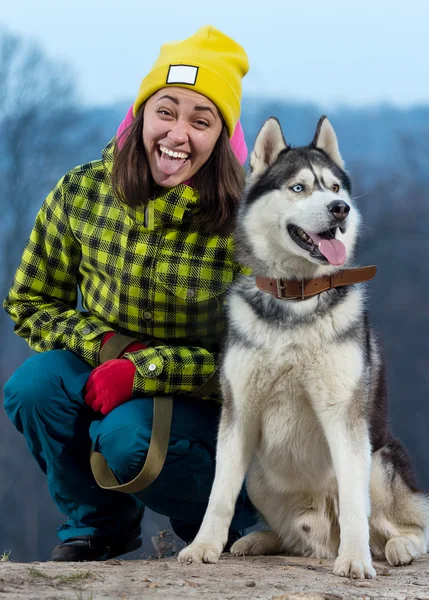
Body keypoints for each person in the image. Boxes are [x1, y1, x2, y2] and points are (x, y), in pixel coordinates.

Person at [3, 25, 257, 562]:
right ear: (140, 115)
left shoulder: (249, 225)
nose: (177, 134)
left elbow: (260, 363)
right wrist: (111, 350)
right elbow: (29, 303)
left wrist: (147, 371)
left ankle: (225, 521)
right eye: (166, 111)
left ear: (223, 138)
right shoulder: (83, 190)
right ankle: (98, 527)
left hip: (209, 400)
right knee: (33, 386)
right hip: (105, 364)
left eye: (201, 120)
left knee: (127, 440)